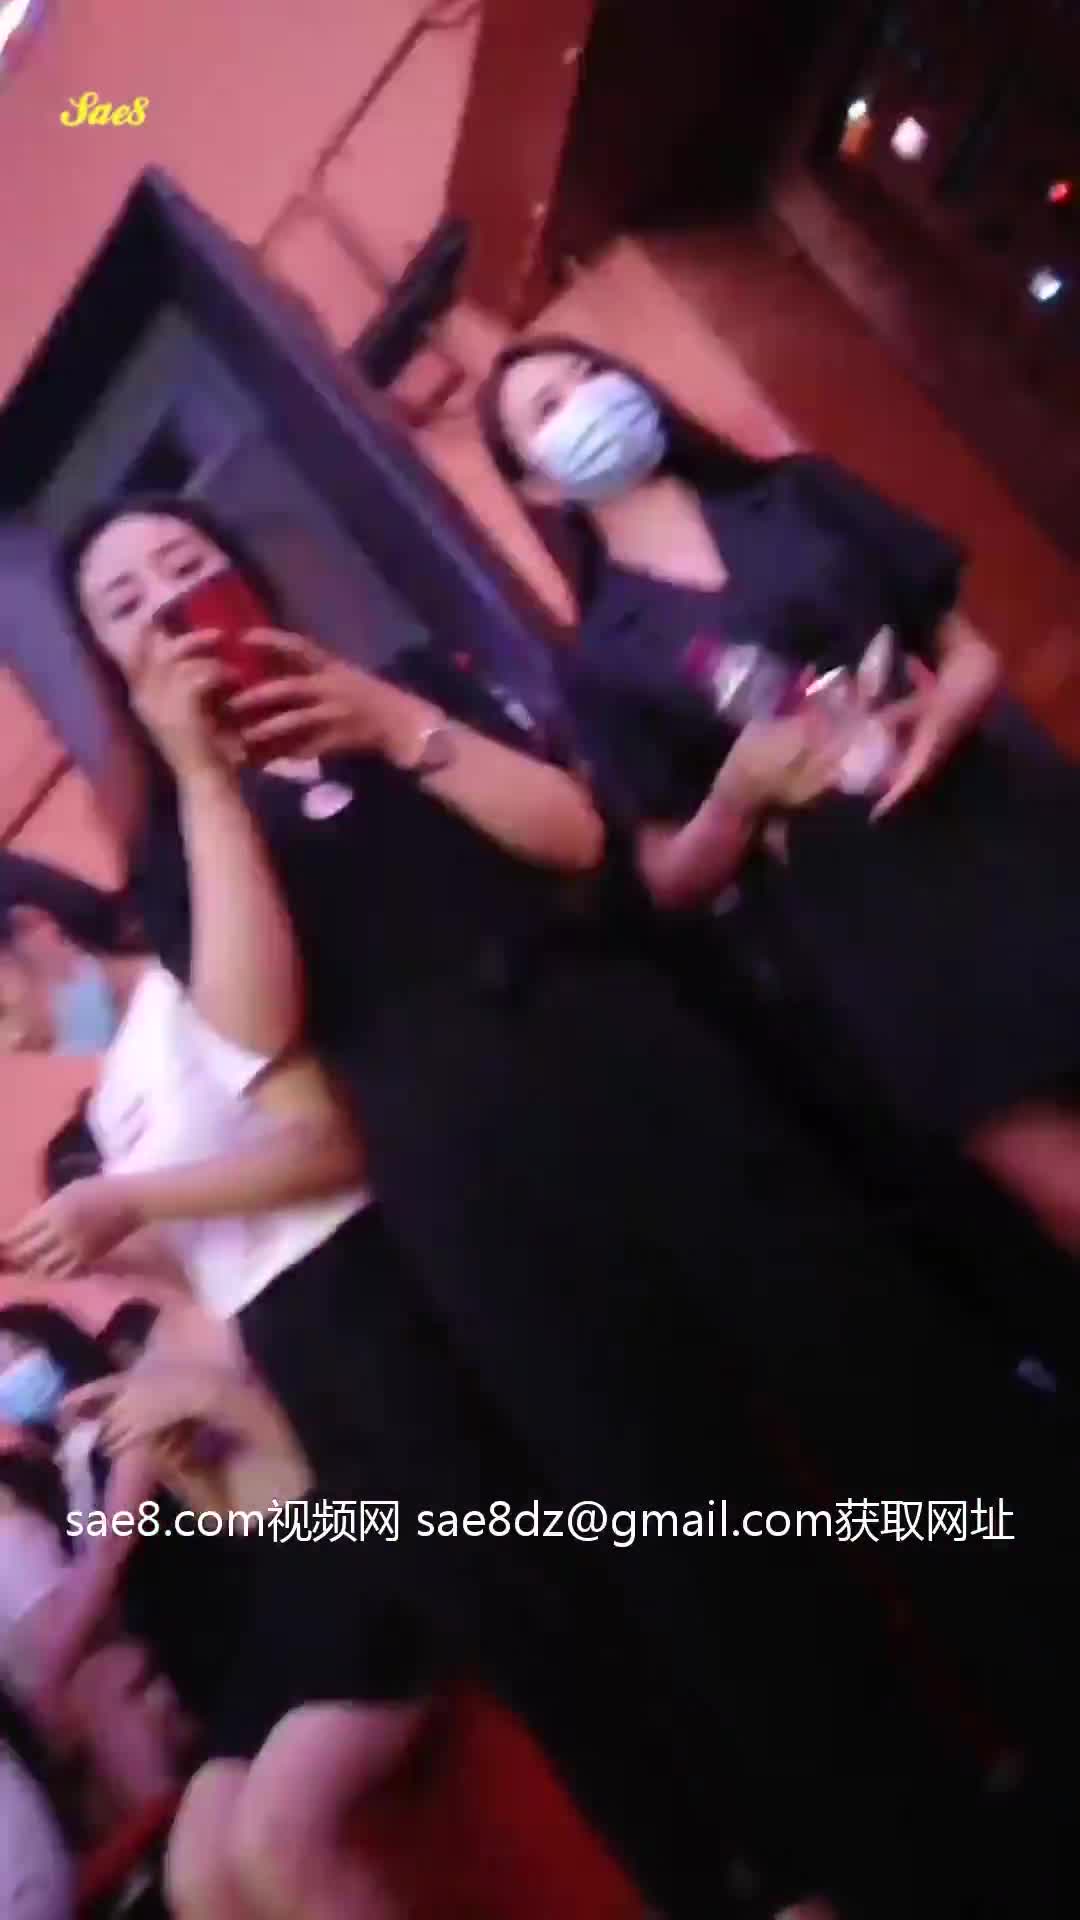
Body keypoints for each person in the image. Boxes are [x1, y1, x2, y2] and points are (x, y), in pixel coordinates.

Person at [16, 492, 1076, 1917]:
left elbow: (575, 837)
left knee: (884, 1381)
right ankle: (924, 1862)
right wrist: (209, 783)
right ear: (112, 667)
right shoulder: (171, 848)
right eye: (129, 602)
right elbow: (261, 1020)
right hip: (468, 1183)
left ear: (246, 576)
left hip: (631, 1063)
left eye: (187, 564)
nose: (169, 602)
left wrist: (395, 727)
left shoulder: (409, 686)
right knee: (690, 1523)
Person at [0, 639, 438, 1918]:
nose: (6, 1037)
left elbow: (332, 1152)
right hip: (296, 1468)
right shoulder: (109, 1101)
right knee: (200, 1866)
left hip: (375, 1413)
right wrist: (148, 1393)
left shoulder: (202, 989)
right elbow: (209, 1295)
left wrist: (132, 1209)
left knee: (281, 1839)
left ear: (33, 933)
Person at [476, 336, 1080, 1258]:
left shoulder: (799, 495)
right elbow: (667, 876)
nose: (589, 401)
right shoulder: (601, 661)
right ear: (536, 486)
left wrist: (937, 715)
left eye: (591, 374)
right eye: (549, 408)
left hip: (999, 818)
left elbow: (968, 651)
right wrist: (737, 793)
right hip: (879, 926)